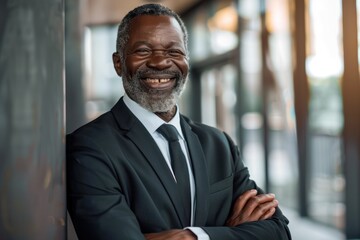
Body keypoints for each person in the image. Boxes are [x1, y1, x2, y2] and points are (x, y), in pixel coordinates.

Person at [66, 3, 291, 240]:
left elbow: (278, 232)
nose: (160, 62)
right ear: (118, 63)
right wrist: (231, 231)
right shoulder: (89, 148)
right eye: (143, 51)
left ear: (186, 61)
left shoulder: (218, 144)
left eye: (174, 52)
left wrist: (194, 237)